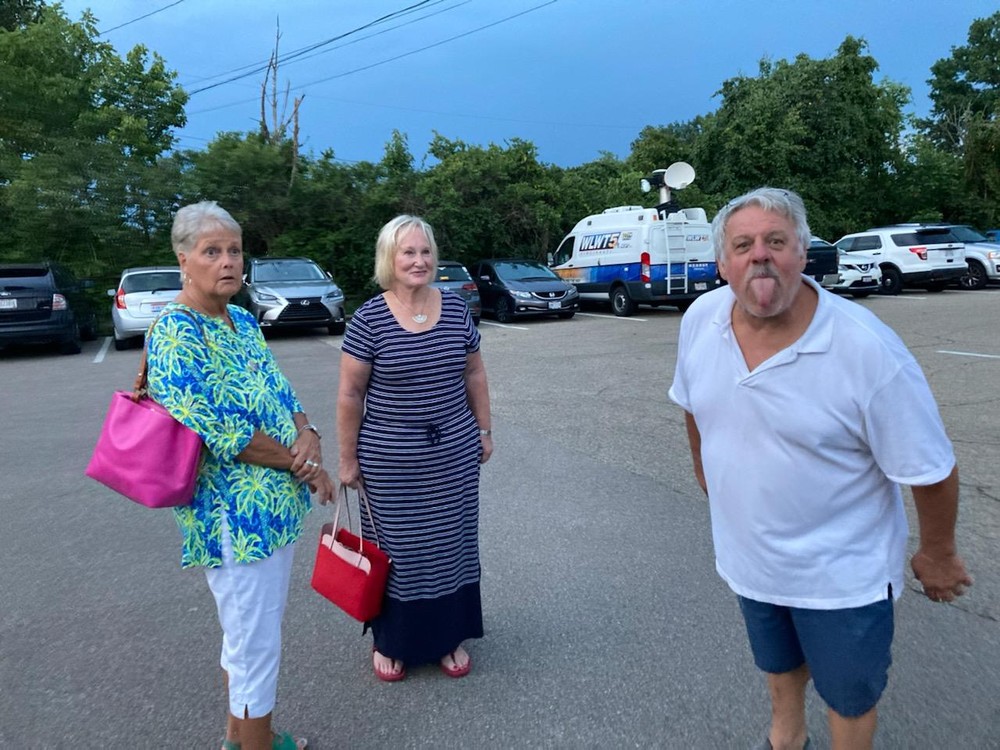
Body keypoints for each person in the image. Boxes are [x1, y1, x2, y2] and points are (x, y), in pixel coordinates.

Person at [668, 187, 972, 750]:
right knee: (778, 662)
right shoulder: (701, 318)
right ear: (722, 263)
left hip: (841, 576)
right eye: (743, 245)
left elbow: (929, 467)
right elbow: (692, 403)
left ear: (803, 254)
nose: (760, 255)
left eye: (776, 241)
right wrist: (707, 473)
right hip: (752, 560)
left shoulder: (865, 348)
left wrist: (939, 553)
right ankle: (785, 739)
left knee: (849, 693)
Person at [146, 201, 334, 750]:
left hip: (274, 511)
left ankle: (241, 738)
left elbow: (280, 390)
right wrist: (304, 464)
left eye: (234, 250)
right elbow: (224, 434)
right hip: (235, 520)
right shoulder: (176, 332)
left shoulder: (242, 320)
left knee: (247, 634)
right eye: (212, 251)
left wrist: (308, 430)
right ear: (184, 260)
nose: (228, 261)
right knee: (255, 645)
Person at [336, 214, 493, 682]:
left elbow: (474, 372)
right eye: (408, 252)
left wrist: (484, 430)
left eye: (425, 252)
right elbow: (350, 394)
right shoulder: (369, 319)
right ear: (390, 258)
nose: (419, 260)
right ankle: (392, 641)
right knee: (399, 552)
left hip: (454, 454)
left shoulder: (456, 309)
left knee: (451, 544)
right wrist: (347, 458)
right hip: (390, 463)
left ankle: (448, 637)